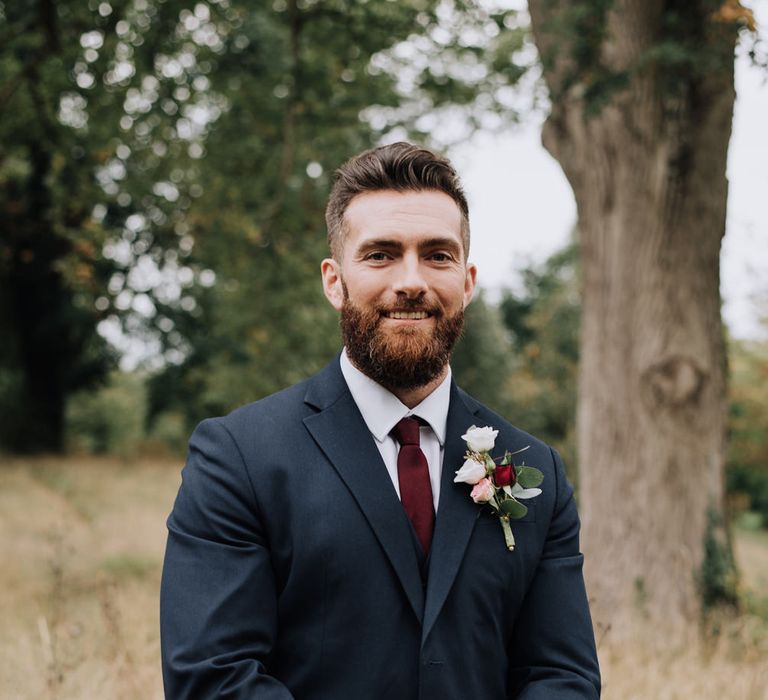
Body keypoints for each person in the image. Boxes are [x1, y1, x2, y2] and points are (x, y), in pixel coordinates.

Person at [160, 142, 601, 699]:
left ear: (466, 281)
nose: (411, 281)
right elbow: (213, 678)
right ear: (333, 281)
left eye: (437, 255)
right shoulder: (238, 458)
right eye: (381, 255)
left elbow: (561, 677)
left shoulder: (538, 470)